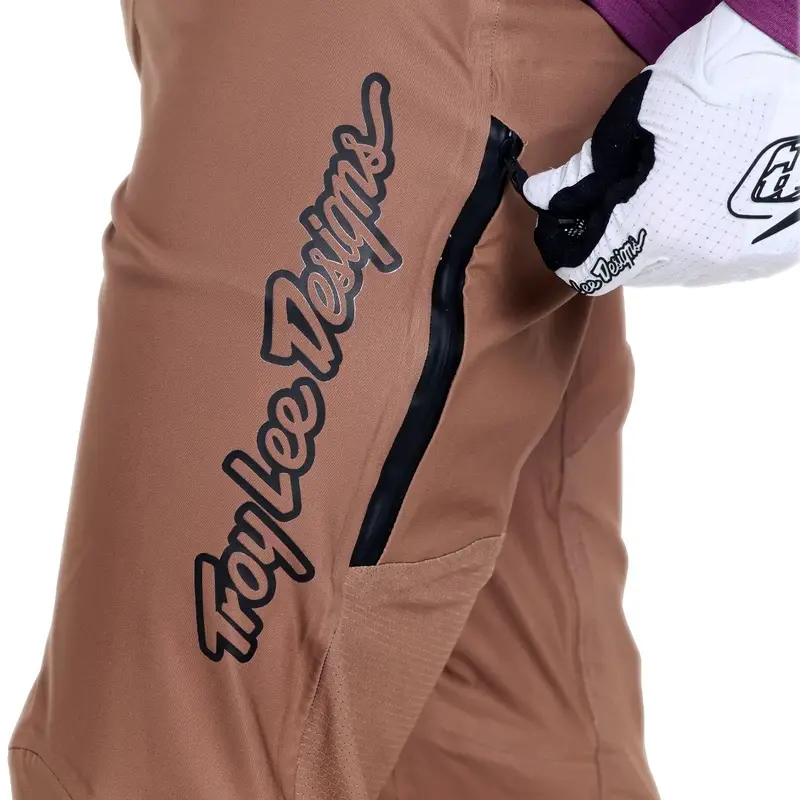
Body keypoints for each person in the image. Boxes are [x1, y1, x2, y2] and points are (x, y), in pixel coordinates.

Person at [8, 1, 797, 798]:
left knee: (161, 758)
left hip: (400, 49)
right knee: (486, 753)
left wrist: (781, 28)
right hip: (381, 61)